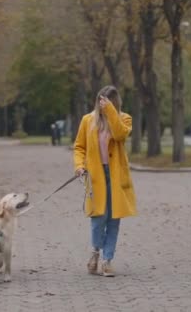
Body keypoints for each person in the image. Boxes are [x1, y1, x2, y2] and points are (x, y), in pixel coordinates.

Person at [73, 85, 137, 277]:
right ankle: (95, 252)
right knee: (98, 217)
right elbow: (79, 147)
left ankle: (107, 261)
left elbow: (119, 134)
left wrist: (110, 111)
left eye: (107, 102)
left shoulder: (124, 119)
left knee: (114, 219)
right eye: (101, 101)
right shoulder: (88, 120)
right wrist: (78, 165)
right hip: (95, 176)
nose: (102, 105)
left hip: (116, 176)